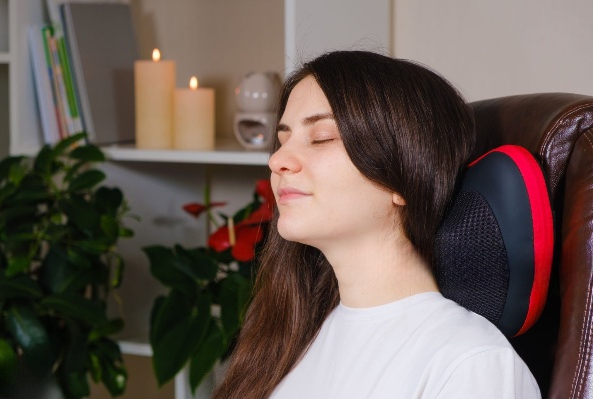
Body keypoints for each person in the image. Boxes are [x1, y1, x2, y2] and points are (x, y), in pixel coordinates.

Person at [212, 51, 540, 399]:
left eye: (321, 137)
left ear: (403, 178)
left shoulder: (470, 365)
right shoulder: (293, 336)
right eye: (282, 141)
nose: (277, 160)